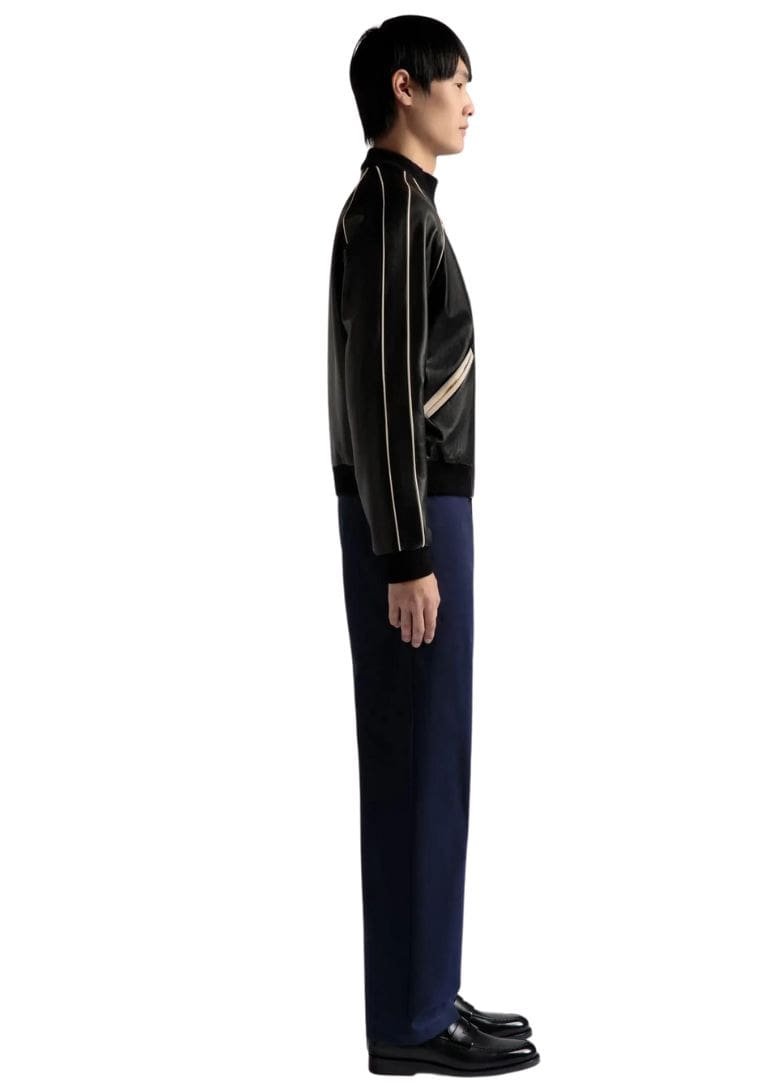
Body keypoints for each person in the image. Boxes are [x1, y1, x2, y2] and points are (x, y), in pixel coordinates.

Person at [326, 15, 540, 1078]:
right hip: (413, 521)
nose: (471, 101)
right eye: (459, 81)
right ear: (405, 87)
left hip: (417, 512)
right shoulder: (390, 209)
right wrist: (408, 553)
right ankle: (410, 1022)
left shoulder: (401, 207)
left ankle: (420, 990)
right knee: (420, 754)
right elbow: (380, 391)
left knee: (428, 753)